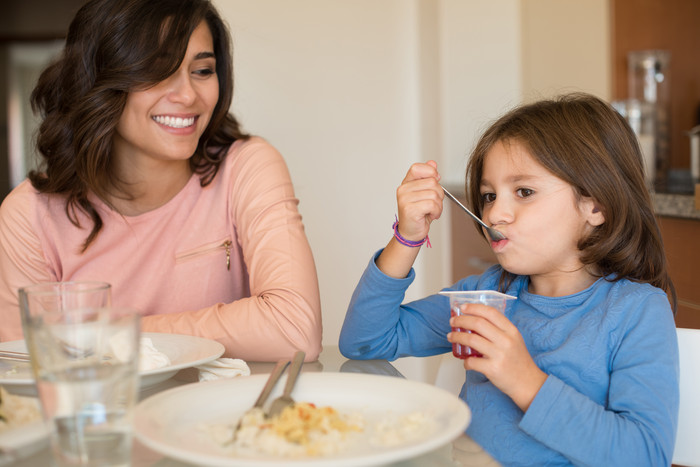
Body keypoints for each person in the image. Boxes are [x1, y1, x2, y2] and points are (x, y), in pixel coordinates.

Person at [339, 93, 679, 465]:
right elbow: (366, 342)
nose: (496, 212)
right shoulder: (484, 295)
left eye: (524, 192)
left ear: (594, 205)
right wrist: (407, 238)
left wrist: (525, 381)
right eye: (488, 195)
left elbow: (644, 456)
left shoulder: (636, 311)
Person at [0, 0, 322, 362]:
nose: (188, 96)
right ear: (99, 80)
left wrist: (107, 336)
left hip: (219, 415)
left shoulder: (245, 166)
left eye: (202, 70)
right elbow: (22, 369)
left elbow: (295, 328)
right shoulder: (29, 214)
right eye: (157, 69)